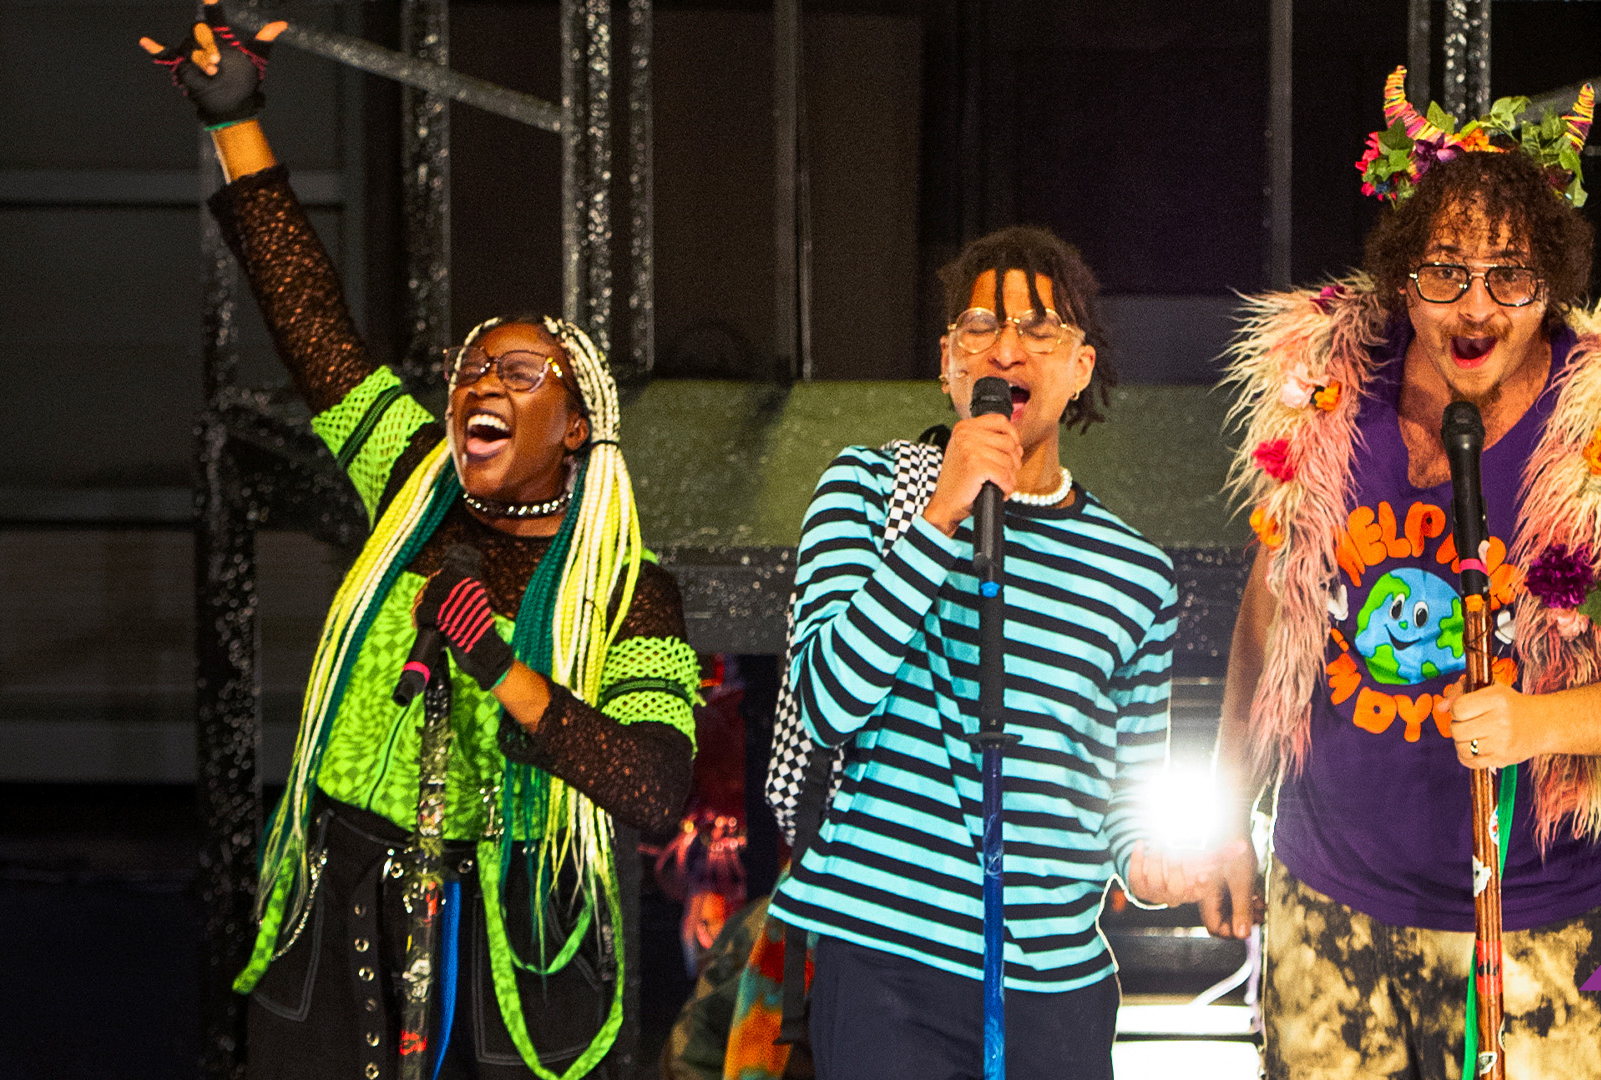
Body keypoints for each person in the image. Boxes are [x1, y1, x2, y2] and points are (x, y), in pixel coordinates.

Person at [142, 6, 698, 1077]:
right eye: (470, 371)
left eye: (520, 374)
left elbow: (653, 787)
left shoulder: (629, 593)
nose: (482, 383)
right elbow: (309, 319)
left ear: (577, 424)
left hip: (512, 937)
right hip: (348, 900)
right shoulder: (414, 484)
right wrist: (237, 119)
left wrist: (500, 666)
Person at [1201, 68, 1601, 1078]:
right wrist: (1228, 809)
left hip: (1541, 930)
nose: (1476, 306)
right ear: (1402, 271)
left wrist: (1539, 723)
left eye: (1512, 276)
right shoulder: (1327, 393)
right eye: (1446, 270)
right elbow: (1267, 611)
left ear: (1554, 281)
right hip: (1328, 909)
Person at [766, 227, 1198, 1079]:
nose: (1006, 347)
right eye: (980, 327)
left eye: (1040, 330)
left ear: (1079, 368)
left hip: (1056, 986)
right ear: (948, 365)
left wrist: (1150, 859)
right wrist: (940, 517)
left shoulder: (1137, 573)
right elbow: (826, 701)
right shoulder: (864, 489)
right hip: (886, 955)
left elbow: (1126, 796)